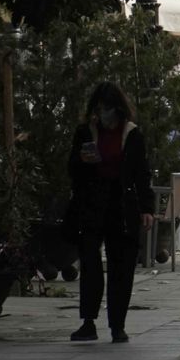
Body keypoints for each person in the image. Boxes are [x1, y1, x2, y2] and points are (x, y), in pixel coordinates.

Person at [66, 82, 155, 343]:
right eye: (98, 109)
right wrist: (82, 162)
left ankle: (118, 325)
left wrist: (147, 208)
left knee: (122, 266)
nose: (102, 115)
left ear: (117, 109)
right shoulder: (85, 132)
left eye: (107, 109)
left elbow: (142, 173)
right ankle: (88, 321)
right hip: (92, 203)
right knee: (90, 264)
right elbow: (71, 169)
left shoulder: (132, 135)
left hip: (121, 205)